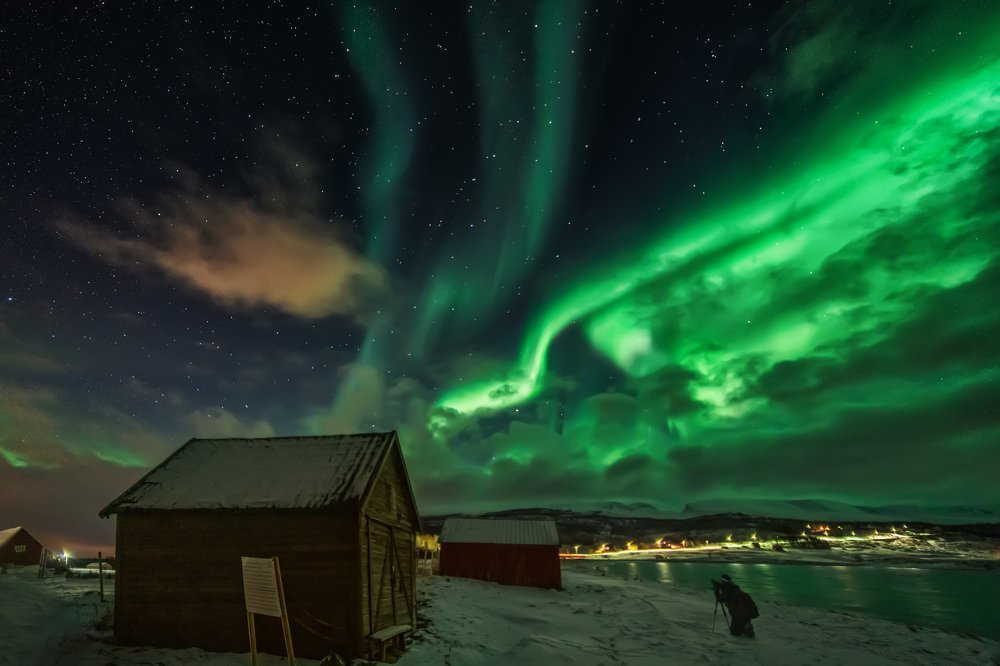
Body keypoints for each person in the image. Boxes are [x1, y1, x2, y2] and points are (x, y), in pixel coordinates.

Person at [712, 574, 756, 638]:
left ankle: (746, 631)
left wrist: (716, 590)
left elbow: (720, 599)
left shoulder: (727, 590)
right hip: (746, 611)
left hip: (737, 612)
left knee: (735, 633)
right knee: (743, 623)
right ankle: (747, 627)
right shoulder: (735, 587)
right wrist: (720, 586)